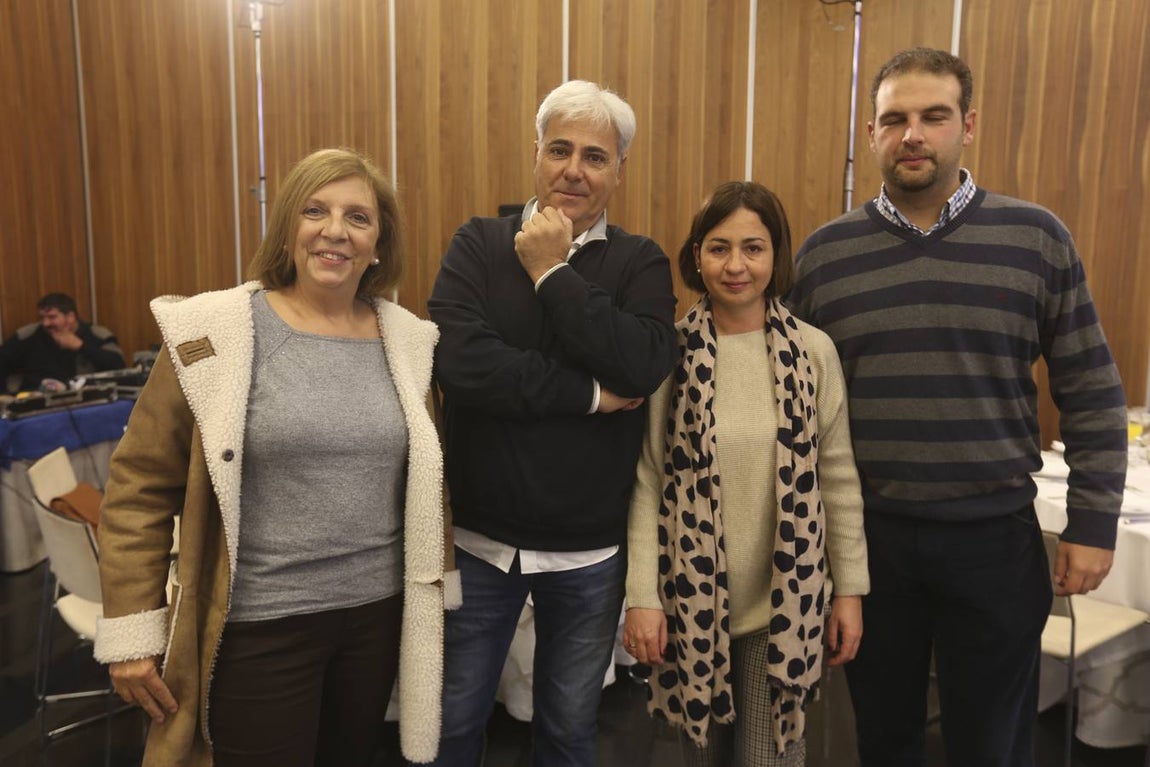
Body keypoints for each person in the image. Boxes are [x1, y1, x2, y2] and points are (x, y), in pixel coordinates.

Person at [788, 48, 1128, 767]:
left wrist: (1094, 521)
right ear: (872, 132)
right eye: (894, 119)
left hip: (993, 542)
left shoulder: (1036, 238)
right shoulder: (824, 257)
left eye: (933, 116)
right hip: (868, 545)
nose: (913, 134)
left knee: (992, 745)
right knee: (882, 740)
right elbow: (794, 409)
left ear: (966, 125)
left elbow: (1091, 386)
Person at [92, 148, 460, 767]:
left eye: (358, 218)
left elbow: (428, 481)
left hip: (373, 621)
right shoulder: (212, 334)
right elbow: (137, 487)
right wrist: (133, 629)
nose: (335, 230)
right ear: (289, 227)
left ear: (379, 243)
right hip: (258, 626)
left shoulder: (409, 344)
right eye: (315, 210)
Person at [427, 80, 677, 766]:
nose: (574, 168)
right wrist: (591, 397)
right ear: (536, 154)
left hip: (588, 554)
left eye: (595, 156)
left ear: (618, 172)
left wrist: (550, 271)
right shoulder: (478, 243)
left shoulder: (639, 260)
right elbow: (463, 365)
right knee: (447, 726)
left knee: (568, 732)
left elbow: (643, 363)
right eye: (560, 149)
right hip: (477, 544)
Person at [623, 181, 869, 766]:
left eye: (753, 248)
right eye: (718, 247)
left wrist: (851, 590)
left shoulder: (813, 353)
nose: (736, 266)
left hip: (783, 605)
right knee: (699, 755)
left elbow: (836, 476)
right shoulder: (670, 354)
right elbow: (648, 479)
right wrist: (642, 597)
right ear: (697, 255)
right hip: (691, 603)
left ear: (776, 256)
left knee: (768, 757)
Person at [0, 292, 124, 391]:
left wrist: (81, 346)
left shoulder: (97, 334)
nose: (45, 323)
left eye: (52, 317)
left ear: (70, 317)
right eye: (42, 318)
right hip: (35, 399)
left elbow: (119, 365)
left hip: (85, 400)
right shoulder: (29, 334)